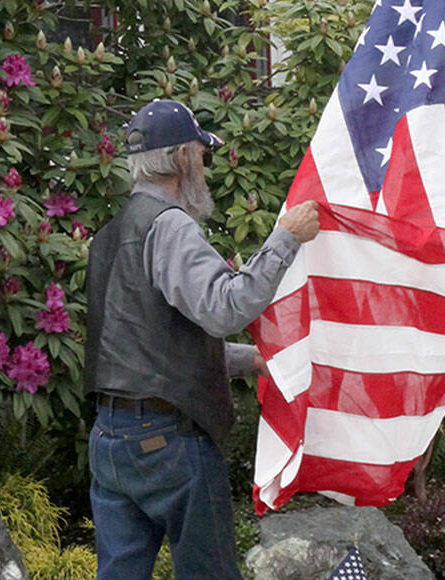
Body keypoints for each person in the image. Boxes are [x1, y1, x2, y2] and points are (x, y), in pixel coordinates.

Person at [84, 99, 320, 579]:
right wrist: (286, 237)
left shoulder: (110, 235)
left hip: (110, 440)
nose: (205, 166)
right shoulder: (169, 226)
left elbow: (138, 345)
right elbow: (226, 307)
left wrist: (246, 359)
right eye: (201, 154)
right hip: (168, 443)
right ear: (184, 158)